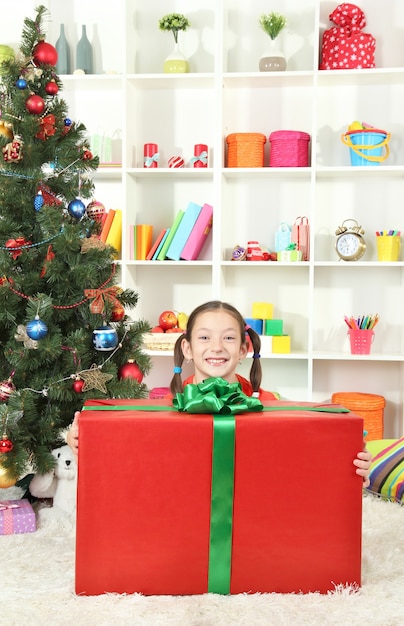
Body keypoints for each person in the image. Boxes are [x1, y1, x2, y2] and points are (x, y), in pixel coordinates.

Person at [67, 300, 372, 485]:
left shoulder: (268, 407)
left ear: (243, 349)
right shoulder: (164, 413)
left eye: (228, 338)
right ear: (187, 348)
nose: (216, 347)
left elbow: (300, 470)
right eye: (204, 337)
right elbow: (134, 472)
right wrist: (85, 444)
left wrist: (351, 465)